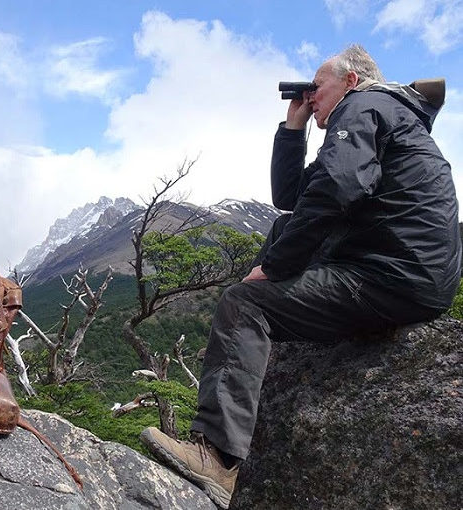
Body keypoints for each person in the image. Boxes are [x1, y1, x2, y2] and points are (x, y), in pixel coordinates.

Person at [140, 44, 461, 509]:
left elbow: (335, 188)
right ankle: (266, 355)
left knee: (243, 302)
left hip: (391, 274)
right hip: (403, 271)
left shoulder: (365, 105)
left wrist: (272, 271)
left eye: (317, 87)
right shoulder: (382, 112)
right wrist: (293, 127)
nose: (311, 97)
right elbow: (292, 196)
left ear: (349, 82)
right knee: (284, 226)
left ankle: (218, 456)